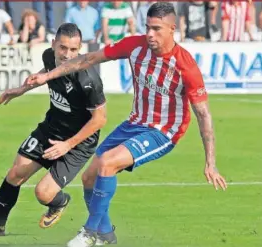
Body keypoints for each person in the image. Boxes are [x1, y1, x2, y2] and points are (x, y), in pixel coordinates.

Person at [24, 2, 227, 247]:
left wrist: (211, 163)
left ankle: (90, 233)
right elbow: (88, 58)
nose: (150, 34)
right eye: (147, 27)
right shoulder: (135, 45)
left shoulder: (185, 65)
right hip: (134, 123)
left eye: (156, 29)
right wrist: (47, 75)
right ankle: (106, 233)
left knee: (107, 163)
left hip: (163, 132)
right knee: (89, 176)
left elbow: (203, 114)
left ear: (172, 28)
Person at [0, 23, 107, 238]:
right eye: (62, 48)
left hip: (78, 143)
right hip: (51, 128)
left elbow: (100, 119)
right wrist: (20, 90)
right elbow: (46, 74)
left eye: (73, 50)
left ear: (80, 48)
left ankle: (60, 202)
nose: (67, 54)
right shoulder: (48, 57)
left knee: (43, 193)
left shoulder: (88, 79)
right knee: (16, 173)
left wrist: (68, 145)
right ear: (53, 44)